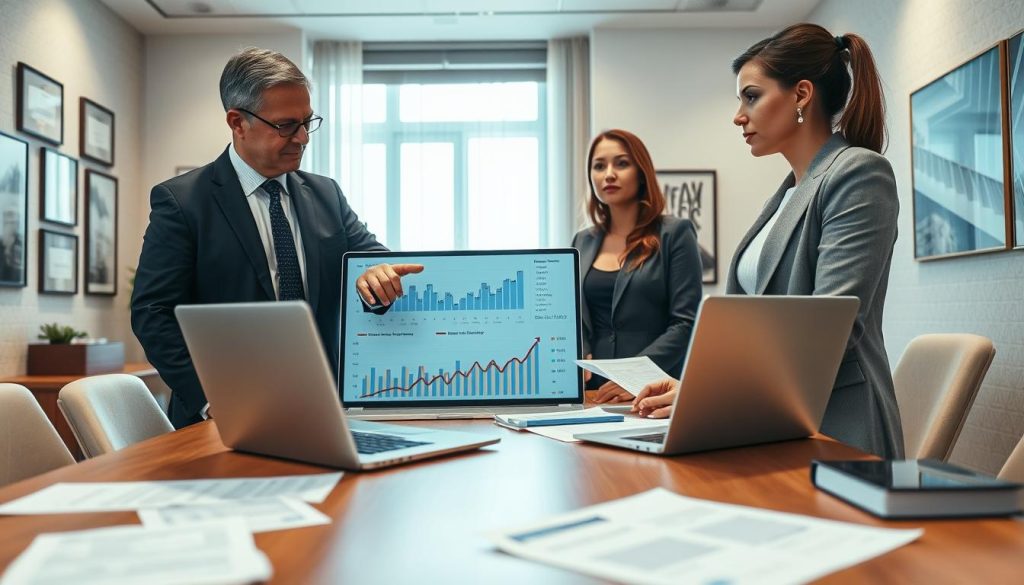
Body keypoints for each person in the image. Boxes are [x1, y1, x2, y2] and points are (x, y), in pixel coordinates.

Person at [634, 24, 904, 459]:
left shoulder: (858, 173)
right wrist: (696, 388)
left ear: (800, 95)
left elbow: (828, 332)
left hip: (837, 428)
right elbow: (754, 332)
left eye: (751, 96)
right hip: (773, 424)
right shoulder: (787, 193)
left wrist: (711, 398)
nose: (739, 115)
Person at [131, 48, 419, 429]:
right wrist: (211, 400)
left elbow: (374, 264)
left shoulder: (326, 195)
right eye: (286, 125)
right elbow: (153, 314)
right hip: (223, 420)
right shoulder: (183, 202)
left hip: (323, 410)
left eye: (307, 123)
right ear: (238, 122)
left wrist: (377, 277)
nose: (302, 138)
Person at [572, 129, 703, 404]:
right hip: (595, 392)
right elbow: (576, 316)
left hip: (652, 387)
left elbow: (685, 323)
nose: (609, 173)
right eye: (599, 166)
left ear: (641, 172)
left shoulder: (675, 233)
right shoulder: (582, 241)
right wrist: (581, 351)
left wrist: (634, 375)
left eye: (621, 163)